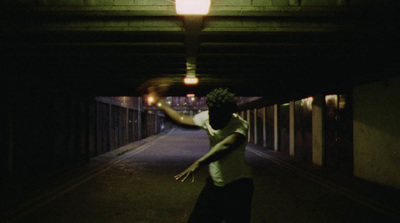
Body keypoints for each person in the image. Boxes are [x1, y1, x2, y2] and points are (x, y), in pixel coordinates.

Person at [147, 87, 253, 223]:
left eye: (218, 117)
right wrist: (161, 103)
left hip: (239, 187)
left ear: (228, 114)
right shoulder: (207, 117)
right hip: (215, 185)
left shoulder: (240, 125)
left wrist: (199, 162)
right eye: (211, 115)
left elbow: (225, 146)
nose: (212, 120)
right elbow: (181, 119)